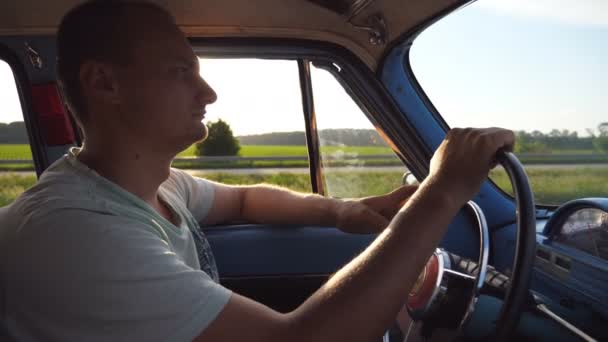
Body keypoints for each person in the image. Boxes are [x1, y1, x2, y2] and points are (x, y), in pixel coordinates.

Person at [0, 1, 515, 341]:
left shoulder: (152, 186)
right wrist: (441, 193)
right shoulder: (78, 232)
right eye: (183, 72)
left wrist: (344, 210)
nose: (209, 94)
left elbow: (245, 199)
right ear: (104, 83)